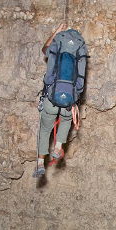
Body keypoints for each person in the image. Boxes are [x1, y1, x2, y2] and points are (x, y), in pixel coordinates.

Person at [33, 22, 84, 178]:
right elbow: (80, 81)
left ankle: (41, 163)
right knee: (66, 121)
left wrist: (56, 31)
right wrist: (75, 100)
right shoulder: (79, 54)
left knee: (45, 128)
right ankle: (58, 146)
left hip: (51, 98)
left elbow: (44, 49)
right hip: (68, 101)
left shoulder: (55, 49)